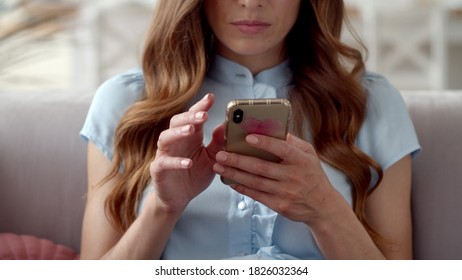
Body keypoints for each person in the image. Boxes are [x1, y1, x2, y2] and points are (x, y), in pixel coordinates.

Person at [79, 0, 420, 260]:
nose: (252, 1)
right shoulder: (125, 103)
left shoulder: (372, 102)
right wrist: (163, 208)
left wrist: (323, 207)